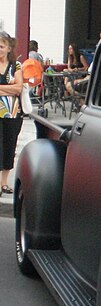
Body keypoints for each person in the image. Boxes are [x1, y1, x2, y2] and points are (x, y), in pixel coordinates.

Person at [0, 31, 24, 196]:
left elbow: (19, 88)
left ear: (9, 48)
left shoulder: (16, 65)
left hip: (12, 113)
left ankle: (3, 183)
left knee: (9, 146)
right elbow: (13, 88)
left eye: (1, 46)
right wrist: (10, 88)